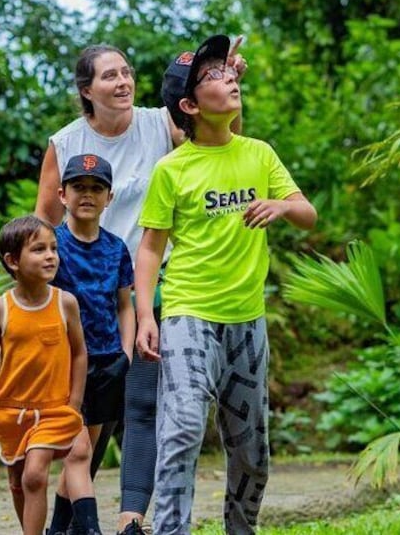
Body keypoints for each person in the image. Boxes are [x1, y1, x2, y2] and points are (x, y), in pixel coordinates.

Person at [35, 43, 244, 535]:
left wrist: (229, 82)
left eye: (127, 72)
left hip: (152, 283)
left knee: (142, 401)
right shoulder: (64, 143)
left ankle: (131, 518)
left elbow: (218, 137)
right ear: (87, 90)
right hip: (86, 290)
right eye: (110, 76)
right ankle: (66, 522)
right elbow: (42, 226)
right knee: (91, 415)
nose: (124, 82)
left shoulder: (158, 124)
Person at [134, 35, 318, 535]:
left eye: (228, 71)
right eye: (212, 77)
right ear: (190, 105)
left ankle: (242, 529)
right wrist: (146, 316)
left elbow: (307, 214)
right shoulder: (172, 170)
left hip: (247, 321)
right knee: (183, 429)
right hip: (189, 314)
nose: (229, 78)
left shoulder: (259, 153)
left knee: (252, 450)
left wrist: (282, 205)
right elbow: (151, 247)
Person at [0, 215, 102, 535]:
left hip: (54, 410)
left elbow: (79, 353)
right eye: (39, 250)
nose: (50, 256)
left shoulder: (65, 303)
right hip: (11, 411)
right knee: (18, 482)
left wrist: (74, 402)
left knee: (34, 474)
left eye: (53, 249)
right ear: (12, 261)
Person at [46, 154, 135, 534]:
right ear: (62, 194)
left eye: (96, 188)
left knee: (82, 458)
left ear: (109, 197)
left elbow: (124, 305)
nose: (87, 195)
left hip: (107, 363)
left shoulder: (117, 249)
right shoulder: (49, 244)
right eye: (79, 187)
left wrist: (126, 355)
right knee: (77, 451)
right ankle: (89, 530)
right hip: (63, 365)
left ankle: (59, 530)